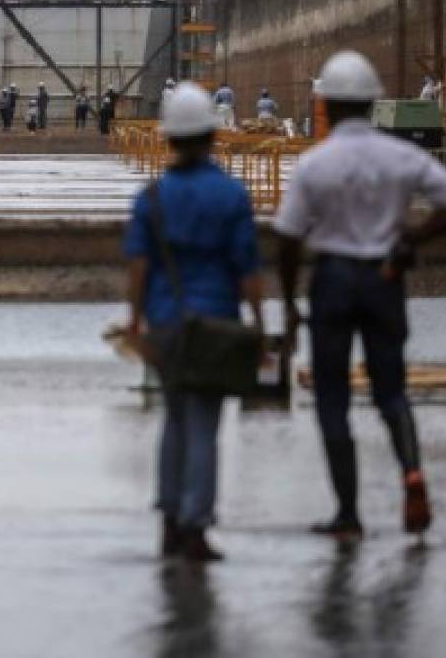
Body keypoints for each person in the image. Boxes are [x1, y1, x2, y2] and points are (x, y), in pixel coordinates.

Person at [274, 50, 446, 540]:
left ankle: (348, 515)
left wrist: (290, 301)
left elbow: (287, 237)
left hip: (334, 279)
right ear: (371, 103)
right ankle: (412, 475)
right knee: (391, 391)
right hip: (385, 276)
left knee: (332, 398)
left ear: (328, 105)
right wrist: (411, 240)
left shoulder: (314, 165)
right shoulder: (402, 156)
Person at [124, 82, 264, 562]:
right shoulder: (231, 195)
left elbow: (139, 268)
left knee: (175, 418)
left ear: (168, 138)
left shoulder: (151, 199)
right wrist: (259, 323)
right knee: (205, 425)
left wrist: (135, 322)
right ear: (211, 135)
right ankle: (195, 526)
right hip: (216, 323)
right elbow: (248, 268)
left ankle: (168, 520)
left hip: (165, 323)